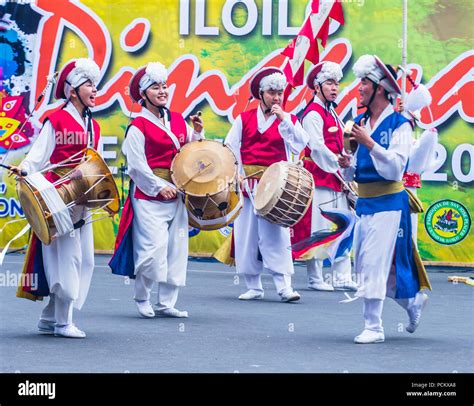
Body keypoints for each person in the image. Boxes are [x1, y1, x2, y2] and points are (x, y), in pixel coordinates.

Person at [344, 55, 431, 344]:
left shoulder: (400, 125)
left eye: (364, 83)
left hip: (390, 203)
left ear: (380, 88)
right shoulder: (359, 121)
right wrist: (346, 159)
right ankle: (413, 302)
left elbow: (395, 168)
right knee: (368, 263)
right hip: (365, 202)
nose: (359, 88)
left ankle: (374, 327)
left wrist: (369, 143)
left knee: (374, 263)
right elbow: (353, 171)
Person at [16, 58, 103, 338]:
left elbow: (93, 162)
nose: (94, 88)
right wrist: (25, 169)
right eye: (88, 84)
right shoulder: (57, 119)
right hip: (59, 198)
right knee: (69, 259)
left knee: (86, 260)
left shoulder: (94, 125)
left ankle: (49, 317)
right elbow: (38, 155)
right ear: (73, 90)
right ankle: (64, 323)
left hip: (83, 199)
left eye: (94, 84)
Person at [109, 62, 204, 318]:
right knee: (152, 249)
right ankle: (142, 297)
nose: (162, 91)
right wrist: (158, 187)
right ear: (144, 94)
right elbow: (136, 166)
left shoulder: (177, 119)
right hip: (149, 198)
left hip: (178, 194)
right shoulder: (138, 126)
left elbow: (188, 152)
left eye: (164, 85)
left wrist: (196, 133)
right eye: (155, 87)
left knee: (175, 247)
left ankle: (167, 303)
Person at [224, 67, 309, 302]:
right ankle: (254, 285)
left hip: (275, 187)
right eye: (272, 92)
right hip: (247, 185)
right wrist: (237, 175)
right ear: (261, 93)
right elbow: (230, 148)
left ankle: (284, 286)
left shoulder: (288, 119)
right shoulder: (244, 119)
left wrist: (285, 121)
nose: (277, 97)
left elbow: (301, 143)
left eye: (280, 92)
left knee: (276, 235)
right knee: (247, 234)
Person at [292, 61, 357, 292]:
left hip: (336, 176)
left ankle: (341, 276)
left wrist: (346, 161)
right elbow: (316, 147)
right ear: (317, 87)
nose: (334, 87)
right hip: (319, 176)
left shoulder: (333, 113)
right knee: (319, 226)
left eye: (336, 83)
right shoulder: (312, 114)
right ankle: (315, 278)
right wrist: (336, 161)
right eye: (329, 83)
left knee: (345, 225)